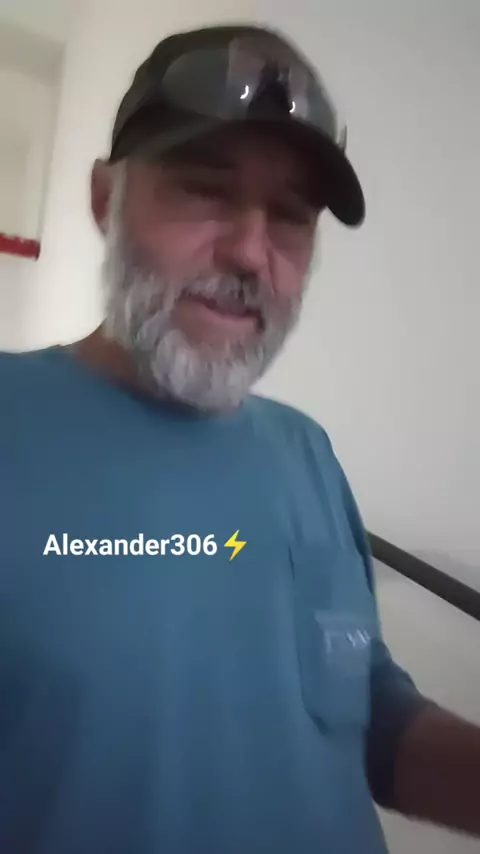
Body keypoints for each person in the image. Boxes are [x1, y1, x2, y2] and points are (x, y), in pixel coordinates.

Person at [1, 22, 479, 854]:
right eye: (205, 190)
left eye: (291, 216)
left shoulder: (307, 453)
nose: (252, 253)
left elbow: (363, 710)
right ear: (106, 200)